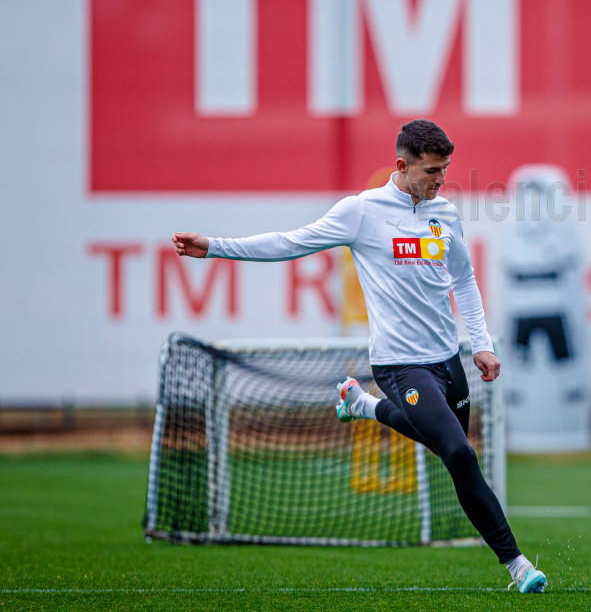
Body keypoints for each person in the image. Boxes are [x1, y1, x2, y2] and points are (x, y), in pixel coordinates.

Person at [172, 119, 548, 593]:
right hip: (399, 364)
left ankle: (363, 405)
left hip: (447, 360)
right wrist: (214, 248)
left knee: (446, 448)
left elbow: (464, 280)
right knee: (459, 454)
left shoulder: (446, 214)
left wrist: (482, 344)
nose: (441, 179)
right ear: (402, 165)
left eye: (445, 169)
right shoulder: (362, 212)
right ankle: (518, 566)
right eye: (432, 170)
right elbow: (291, 242)